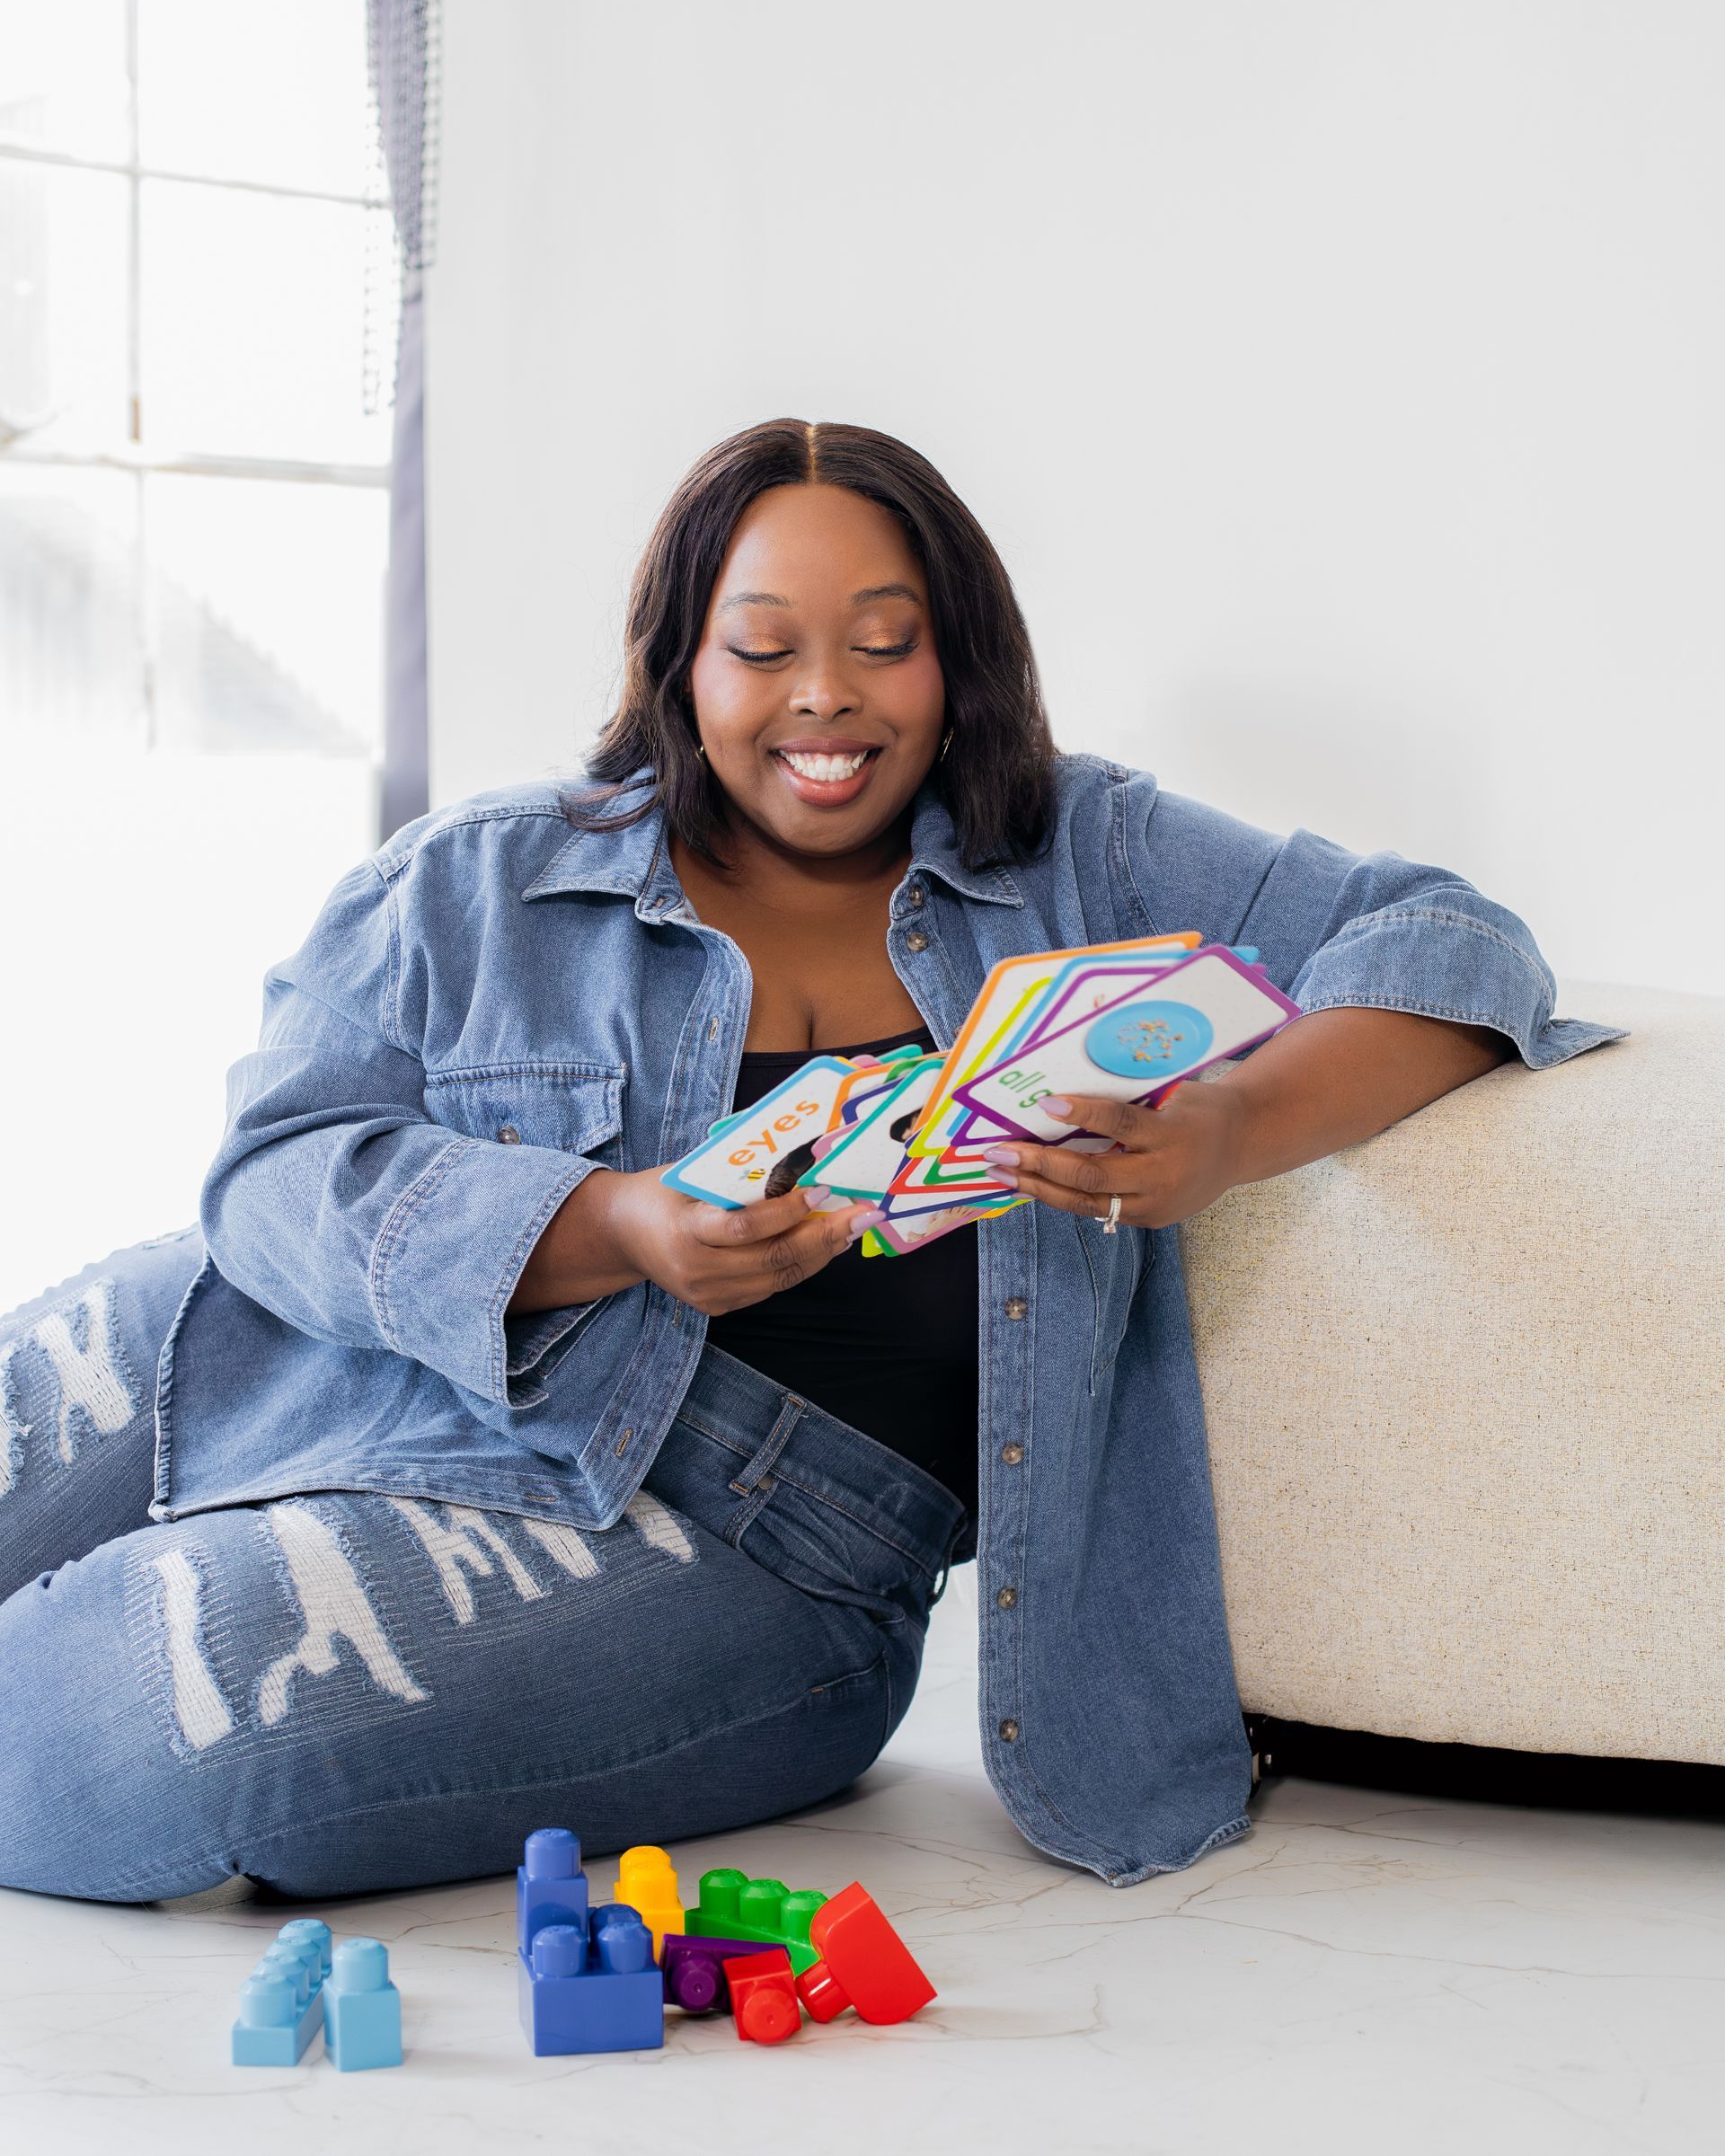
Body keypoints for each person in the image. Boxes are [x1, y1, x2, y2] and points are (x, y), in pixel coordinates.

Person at [0, 420, 1622, 1903]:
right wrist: (617, 1220)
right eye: (762, 646)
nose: (824, 696)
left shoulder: (1091, 852)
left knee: (147, 1716)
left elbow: (1456, 938)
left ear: (957, 658)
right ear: (682, 662)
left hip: (757, 1549)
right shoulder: (479, 879)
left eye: (884, 644)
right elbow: (274, 1170)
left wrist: (1234, 1126)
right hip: (320, 1352)